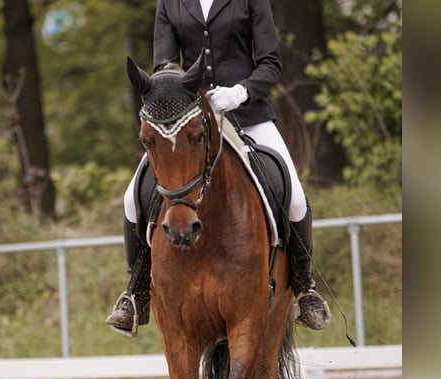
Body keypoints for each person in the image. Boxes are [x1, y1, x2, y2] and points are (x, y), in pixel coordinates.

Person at [106, 0, 330, 336]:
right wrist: (182, 99)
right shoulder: (170, 3)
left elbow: (270, 63)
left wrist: (240, 92)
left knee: (295, 196)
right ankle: (135, 293)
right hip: (189, 122)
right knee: (131, 199)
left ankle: (304, 287)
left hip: (248, 114)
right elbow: (165, 66)